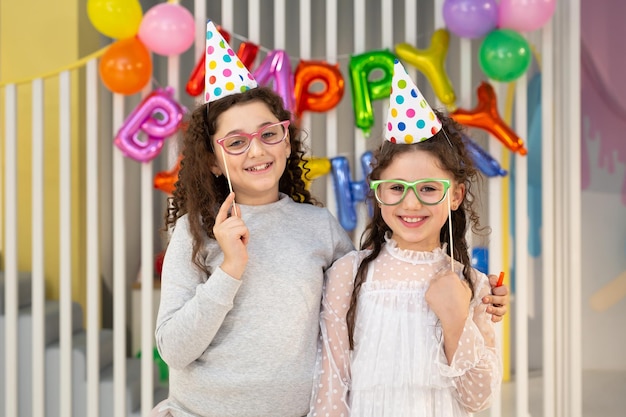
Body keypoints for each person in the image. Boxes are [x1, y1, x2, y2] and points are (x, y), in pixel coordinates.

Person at [153, 22, 508, 417]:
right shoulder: (195, 233)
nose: (256, 150)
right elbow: (173, 349)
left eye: (268, 133)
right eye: (236, 142)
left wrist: (480, 299)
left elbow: (374, 283)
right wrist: (230, 270)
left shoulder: (317, 227)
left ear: (287, 141)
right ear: (213, 162)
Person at [309, 61, 502, 417]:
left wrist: (456, 318)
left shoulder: (471, 284)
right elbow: (331, 385)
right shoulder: (348, 275)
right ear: (377, 192)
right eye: (396, 188)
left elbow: (478, 399)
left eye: (429, 188)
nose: (410, 203)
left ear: (456, 196)